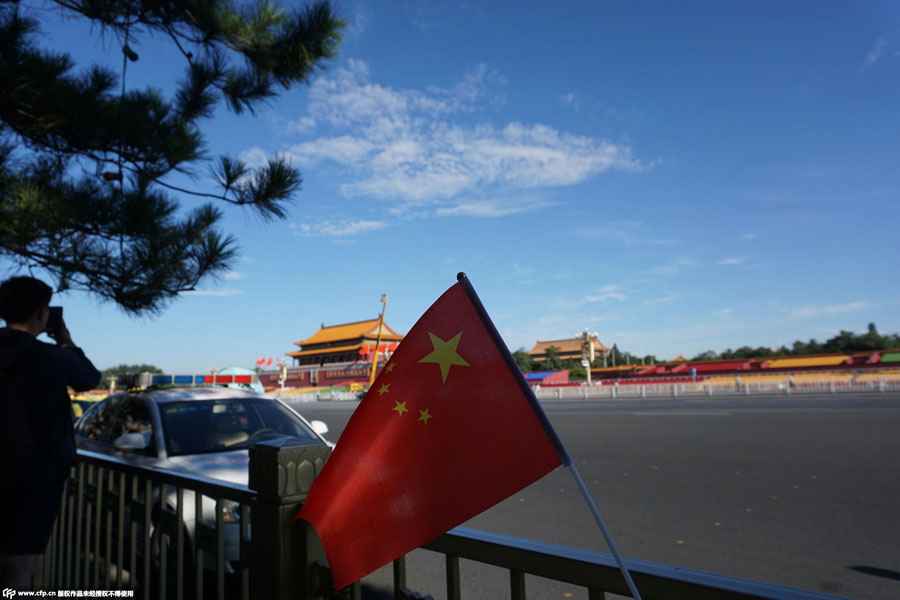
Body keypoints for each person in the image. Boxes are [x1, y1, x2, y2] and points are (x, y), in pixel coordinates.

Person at [0, 277, 100, 590]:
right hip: (36, 476)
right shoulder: (52, 357)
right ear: (42, 313)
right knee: (19, 569)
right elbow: (89, 378)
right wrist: (65, 340)